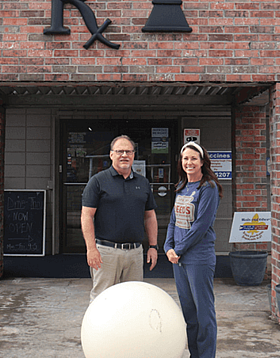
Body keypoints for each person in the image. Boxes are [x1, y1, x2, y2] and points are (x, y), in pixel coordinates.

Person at [81, 135, 159, 300]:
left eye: (128, 151)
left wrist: (153, 246)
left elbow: (150, 216)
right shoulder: (98, 181)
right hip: (106, 252)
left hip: (135, 253)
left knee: (133, 300)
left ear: (133, 155)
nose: (124, 155)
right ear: (111, 155)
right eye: (120, 151)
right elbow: (86, 216)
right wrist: (91, 249)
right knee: (103, 299)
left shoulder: (143, 183)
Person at [165, 141, 222, 358]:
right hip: (178, 260)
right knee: (189, 313)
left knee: (204, 313)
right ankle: (194, 355)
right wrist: (168, 246)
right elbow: (173, 221)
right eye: (185, 158)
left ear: (202, 162)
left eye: (193, 158)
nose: (189, 162)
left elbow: (200, 226)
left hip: (198, 259)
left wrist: (178, 249)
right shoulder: (181, 187)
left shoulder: (208, 188)